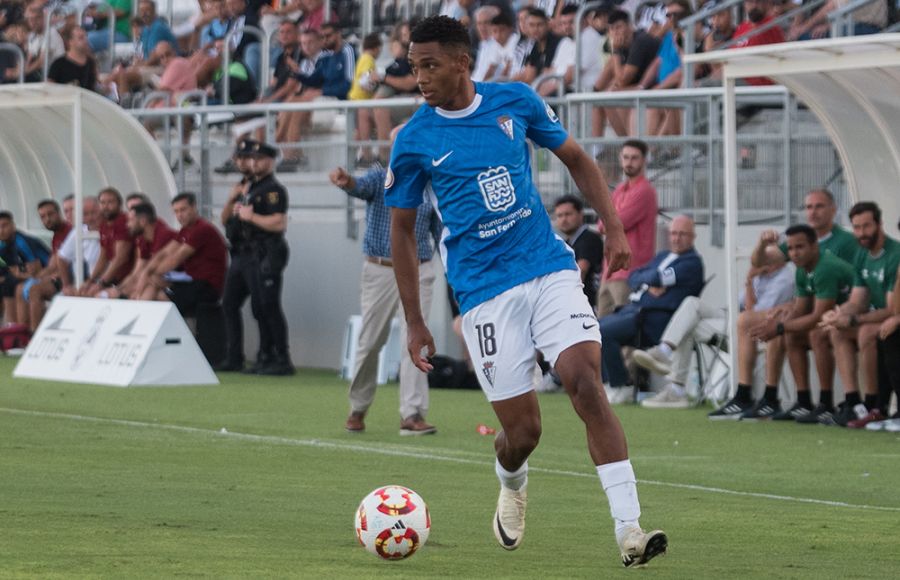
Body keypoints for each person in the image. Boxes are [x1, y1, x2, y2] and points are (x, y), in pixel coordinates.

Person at [387, 15, 666, 567]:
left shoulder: (515, 101)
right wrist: (415, 320)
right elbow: (401, 228)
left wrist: (612, 227)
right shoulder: (415, 138)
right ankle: (511, 482)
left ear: (463, 62)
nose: (419, 77)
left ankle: (629, 530)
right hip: (484, 292)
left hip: (546, 265)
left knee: (585, 382)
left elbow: (579, 160)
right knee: (523, 432)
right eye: (415, 66)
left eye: (430, 65)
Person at [330, 137, 441, 436]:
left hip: (420, 268)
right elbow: (360, 186)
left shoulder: (431, 183)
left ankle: (413, 414)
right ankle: (358, 407)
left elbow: (440, 231)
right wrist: (347, 181)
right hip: (381, 268)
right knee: (371, 341)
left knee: (415, 342)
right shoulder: (382, 177)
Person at [635, 244, 794, 409]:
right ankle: (665, 351)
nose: (759, 262)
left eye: (765, 259)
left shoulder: (783, 280)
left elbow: (752, 315)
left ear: (778, 262)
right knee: (691, 304)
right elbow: (737, 304)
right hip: (732, 319)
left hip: (752, 331)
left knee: (688, 326)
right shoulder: (763, 276)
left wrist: (749, 281)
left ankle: (676, 387)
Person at [742, 224, 856, 422]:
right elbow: (801, 309)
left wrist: (778, 327)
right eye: (791, 248)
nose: (794, 253)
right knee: (791, 334)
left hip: (858, 317)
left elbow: (818, 315)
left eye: (800, 247)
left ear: (815, 246)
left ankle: (827, 403)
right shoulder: (802, 271)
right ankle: (803, 402)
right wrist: (779, 322)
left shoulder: (825, 267)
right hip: (837, 319)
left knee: (815, 334)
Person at [598, 216, 704, 403]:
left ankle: (621, 386)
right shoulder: (663, 256)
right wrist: (651, 280)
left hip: (655, 320)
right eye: (673, 233)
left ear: (693, 236)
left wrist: (651, 279)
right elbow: (633, 276)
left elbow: (654, 278)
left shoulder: (692, 263)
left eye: (682, 234)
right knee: (594, 330)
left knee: (603, 332)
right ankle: (612, 384)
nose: (676, 238)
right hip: (634, 311)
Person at [818, 202, 900, 427]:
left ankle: (875, 405)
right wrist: (837, 314)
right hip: (883, 319)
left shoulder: (895, 255)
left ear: (879, 224)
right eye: (856, 228)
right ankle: (854, 403)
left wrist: (854, 319)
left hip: (891, 320)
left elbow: (893, 310)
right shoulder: (862, 255)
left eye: (866, 227)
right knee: (837, 331)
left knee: (864, 332)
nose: (862, 233)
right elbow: (858, 300)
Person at [219, 141, 293, 375]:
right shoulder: (247, 187)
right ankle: (241, 356)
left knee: (267, 306)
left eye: (259, 158)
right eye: (251, 158)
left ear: (270, 161)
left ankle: (279, 357)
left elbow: (279, 223)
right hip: (243, 252)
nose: (253, 162)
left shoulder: (273, 190)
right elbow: (225, 219)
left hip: (265, 252)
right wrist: (232, 200)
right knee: (234, 303)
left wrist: (251, 218)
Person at [135, 193, 228, 318]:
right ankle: (141, 323)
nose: (179, 215)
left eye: (183, 210)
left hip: (207, 286)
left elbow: (175, 259)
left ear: (194, 207)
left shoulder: (202, 229)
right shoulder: (185, 230)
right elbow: (163, 253)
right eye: (176, 211)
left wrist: (152, 274)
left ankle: (172, 328)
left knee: (158, 293)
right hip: (192, 282)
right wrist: (147, 272)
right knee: (153, 284)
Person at [596, 139, 658, 317]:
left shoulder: (644, 191)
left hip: (630, 272)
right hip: (609, 272)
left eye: (634, 158)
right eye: (626, 157)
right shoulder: (620, 189)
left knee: (625, 332)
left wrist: (608, 222)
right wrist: (608, 222)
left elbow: (611, 224)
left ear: (644, 160)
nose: (629, 162)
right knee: (601, 333)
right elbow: (603, 224)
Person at [14, 198, 72, 329]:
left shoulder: (69, 232)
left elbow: (69, 265)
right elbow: (52, 265)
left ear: (59, 213)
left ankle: (34, 334)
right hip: (57, 275)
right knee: (20, 288)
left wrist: (42, 277)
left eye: (50, 214)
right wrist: (37, 276)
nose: (47, 219)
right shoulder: (56, 236)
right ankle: (20, 334)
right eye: (43, 217)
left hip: (70, 277)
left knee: (35, 290)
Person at [82, 187, 135, 297]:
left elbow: (121, 258)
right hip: (114, 279)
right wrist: (90, 281)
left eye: (110, 202)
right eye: (103, 202)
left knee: (97, 296)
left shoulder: (123, 221)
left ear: (119, 204)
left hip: (128, 279)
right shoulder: (104, 225)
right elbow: (103, 257)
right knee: (84, 292)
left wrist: (101, 282)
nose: (106, 206)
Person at [0, 211, 51, 325]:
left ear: (13, 226)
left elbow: (36, 269)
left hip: (47, 274)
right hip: (24, 274)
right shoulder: (2, 244)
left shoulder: (22, 242)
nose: (1, 230)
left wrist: (16, 272)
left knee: (10, 284)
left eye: (4, 226)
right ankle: (10, 327)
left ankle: (17, 327)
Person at [553, 194, 603, 310]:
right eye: (559, 216)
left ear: (580, 214)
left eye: (568, 214)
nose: (563, 219)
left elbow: (581, 271)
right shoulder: (568, 242)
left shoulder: (588, 238)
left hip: (588, 304)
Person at [48, 27, 98, 91]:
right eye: (81, 38)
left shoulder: (91, 62)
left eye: (86, 37)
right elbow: (49, 89)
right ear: (70, 41)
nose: (85, 40)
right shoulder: (58, 64)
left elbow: (94, 86)